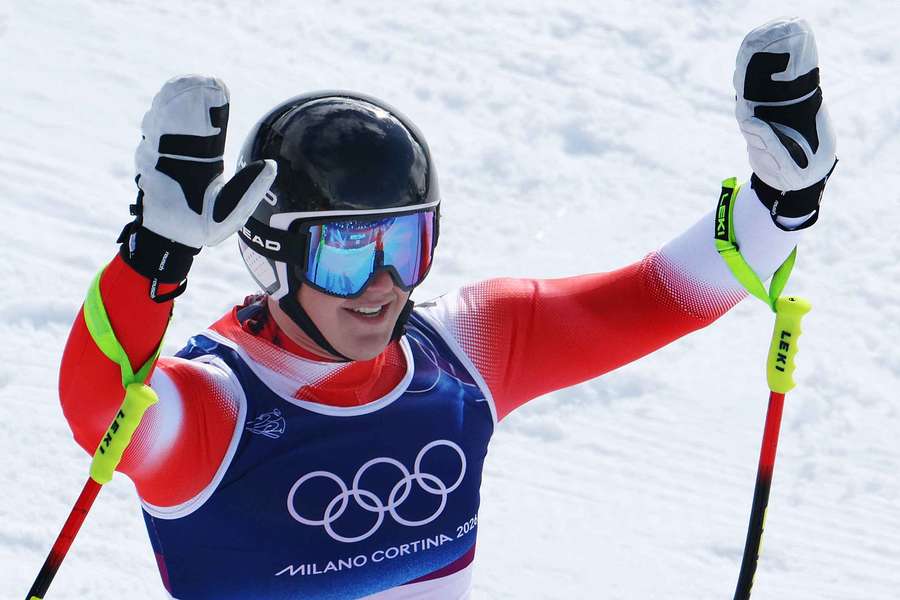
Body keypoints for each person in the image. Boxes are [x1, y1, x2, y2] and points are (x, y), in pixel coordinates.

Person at [58, 17, 836, 600]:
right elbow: (99, 406)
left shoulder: (464, 354)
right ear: (270, 254)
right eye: (347, 250)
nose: (383, 283)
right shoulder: (215, 410)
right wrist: (151, 257)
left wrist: (783, 202)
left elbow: (655, 297)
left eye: (407, 244)